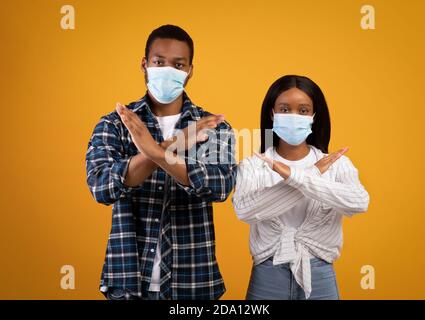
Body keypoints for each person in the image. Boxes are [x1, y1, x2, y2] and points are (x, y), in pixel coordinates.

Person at [85, 25, 236, 300]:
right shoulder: (116, 124)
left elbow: (221, 186)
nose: (168, 70)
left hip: (193, 284)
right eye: (159, 62)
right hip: (128, 281)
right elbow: (102, 187)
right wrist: (168, 148)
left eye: (178, 64)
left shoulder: (212, 127)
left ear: (190, 70)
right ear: (145, 64)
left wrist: (154, 153)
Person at [232, 75, 370, 300]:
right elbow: (244, 210)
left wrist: (296, 177)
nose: (293, 116)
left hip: (320, 274)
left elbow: (358, 202)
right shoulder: (253, 165)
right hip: (268, 274)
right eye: (285, 109)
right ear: (272, 113)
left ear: (314, 116)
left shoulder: (337, 164)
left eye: (303, 110)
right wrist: (311, 174)